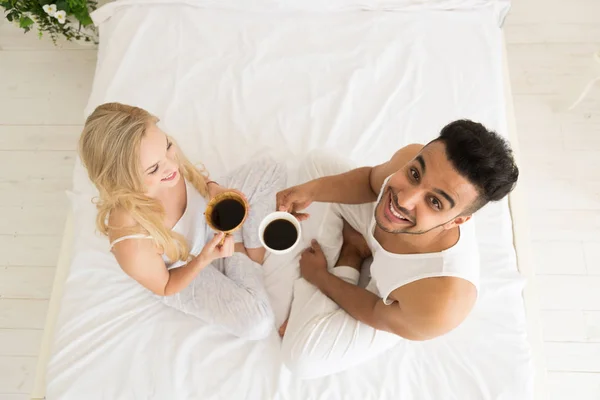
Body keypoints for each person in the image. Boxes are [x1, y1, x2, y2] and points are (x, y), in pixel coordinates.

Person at [276, 119, 519, 378]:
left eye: (434, 202)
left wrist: (321, 278)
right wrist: (312, 190)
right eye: (414, 174)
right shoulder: (407, 158)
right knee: (315, 164)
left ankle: (352, 254)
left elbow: (374, 310)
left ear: (457, 221)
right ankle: (357, 242)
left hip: (393, 302)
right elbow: (370, 183)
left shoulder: (441, 302)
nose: (403, 199)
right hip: (379, 226)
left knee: (300, 360)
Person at [79, 102, 285, 340]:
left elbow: (196, 178)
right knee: (257, 322)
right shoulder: (131, 239)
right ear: (123, 180)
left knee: (272, 170)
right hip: (183, 269)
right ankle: (241, 253)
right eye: (154, 168)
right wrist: (205, 258)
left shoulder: (167, 161)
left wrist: (214, 190)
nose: (172, 164)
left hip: (206, 222)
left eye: (167, 145)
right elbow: (165, 286)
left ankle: (239, 251)